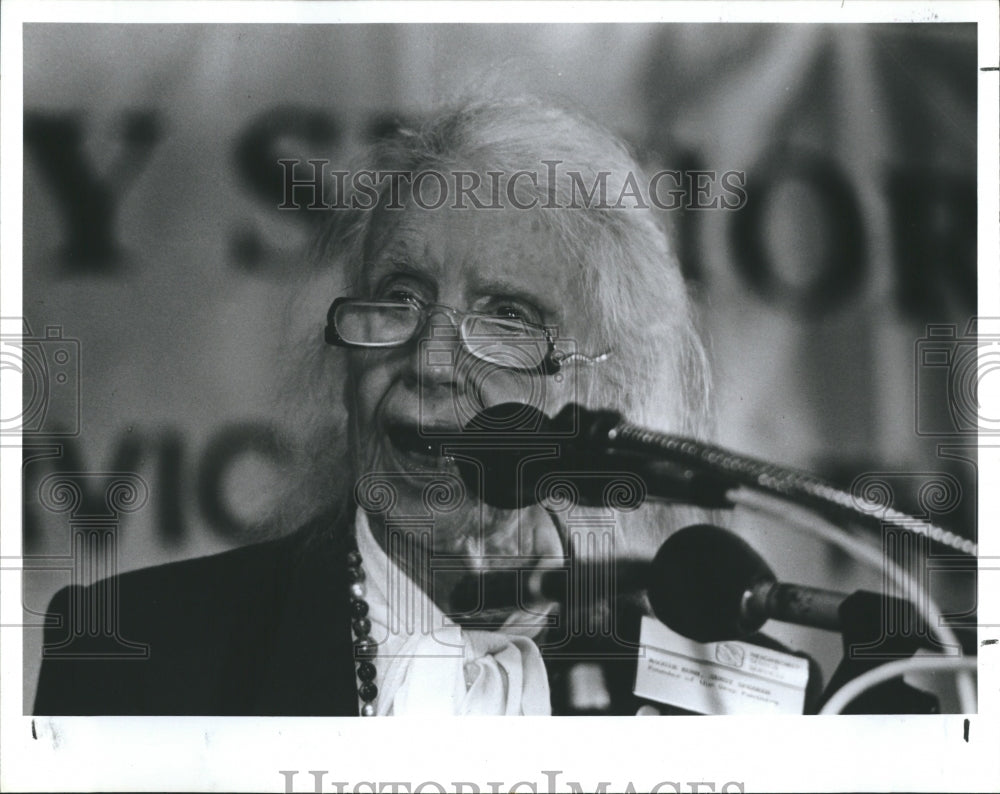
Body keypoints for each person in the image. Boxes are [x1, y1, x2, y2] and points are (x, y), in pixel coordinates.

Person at [33, 95, 714, 716]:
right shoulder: (137, 657)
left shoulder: (709, 698)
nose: (428, 361)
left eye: (506, 316)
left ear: (609, 390)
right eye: (398, 301)